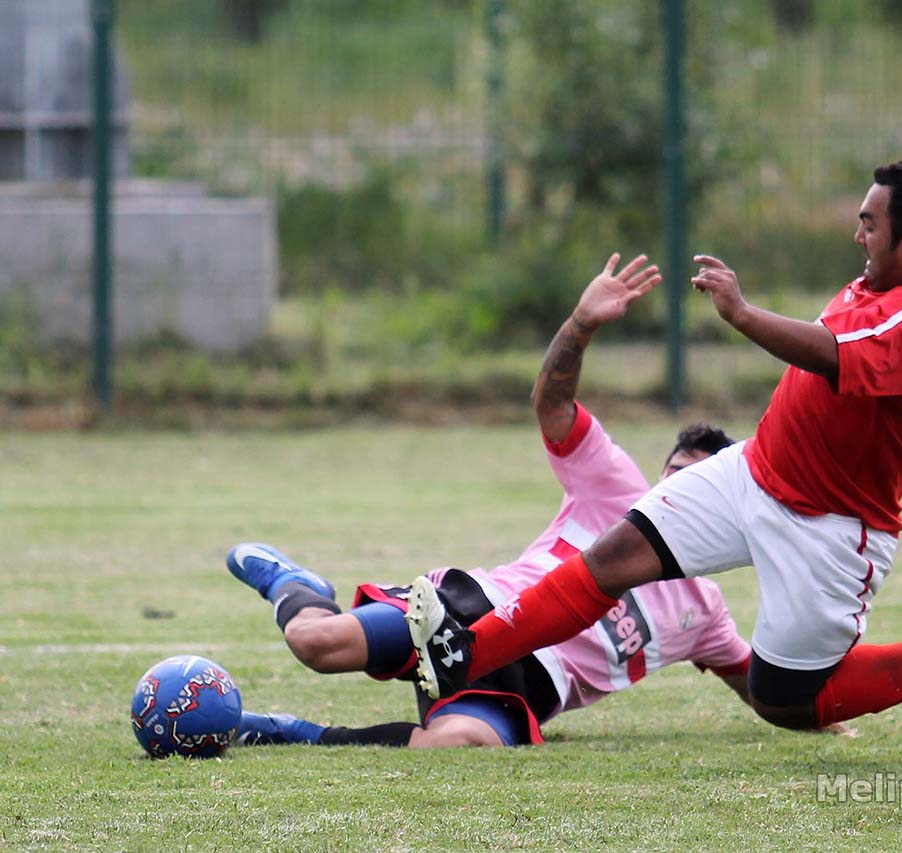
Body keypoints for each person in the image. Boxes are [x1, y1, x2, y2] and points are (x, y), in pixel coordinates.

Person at [408, 27, 902, 733]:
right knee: (616, 553)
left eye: (870, 224)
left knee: (786, 699)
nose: (858, 235)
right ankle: (467, 650)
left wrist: (740, 312)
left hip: (830, 526)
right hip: (756, 470)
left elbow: (830, 349)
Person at [225, 255, 764, 748]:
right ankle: (295, 585)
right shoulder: (617, 488)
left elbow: (763, 688)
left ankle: (291, 734)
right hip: (471, 610)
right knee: (314, 644)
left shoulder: (705, 611)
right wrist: (582, 323)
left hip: (530, 682)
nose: (678, 493)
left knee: (457, 745)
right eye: (674, 476)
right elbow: (553, 404)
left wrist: (821, 709)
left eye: (697, 486)